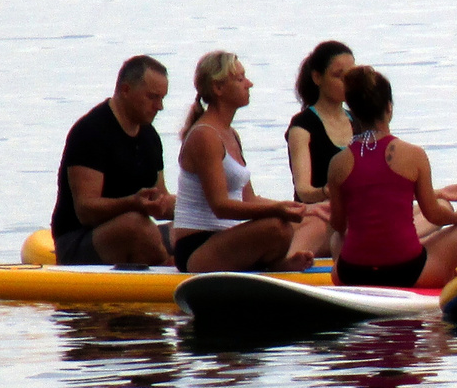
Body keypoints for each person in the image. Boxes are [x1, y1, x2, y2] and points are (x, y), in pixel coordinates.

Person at [172, 51, 327, 273]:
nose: (249, 84)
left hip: (225, 238)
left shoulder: (231, 134)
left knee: (308, 222)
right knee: (277, 227)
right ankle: (272, 266)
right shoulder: (205, 136)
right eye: (240, 79)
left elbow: (249, 198)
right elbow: (221, 207)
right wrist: (278, 210)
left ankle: (273, 265)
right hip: (197, 247)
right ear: (218, 88)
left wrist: (305, 209)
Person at [325, 67, 457, 287]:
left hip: (351, 274)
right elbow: (433, 215)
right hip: (406, 272)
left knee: (337, 239)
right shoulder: (414, 155)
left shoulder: (337, 163)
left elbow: (338, 224)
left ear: (353, 113)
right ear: (389, 108)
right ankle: (442, 278)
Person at [51, 55, 176, 266]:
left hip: (131, 230)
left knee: (185, 229)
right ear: (126, 90)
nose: (159, 106)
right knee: (136, 225)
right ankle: (170, 271)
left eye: (162, 98)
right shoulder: (90, 132)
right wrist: (133, 203)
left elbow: (161, 197)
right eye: (152, 97)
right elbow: (85, 211)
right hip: (78, 240)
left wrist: (205, 209)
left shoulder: (150, 136)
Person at [285, 40, 355, 204]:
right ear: (317, 77)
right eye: (338, 76)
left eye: (351, 76)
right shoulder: (303, 126)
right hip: (319, 212)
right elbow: (303, 191)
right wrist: (328, 191)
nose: (347, 82)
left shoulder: (360, 120)